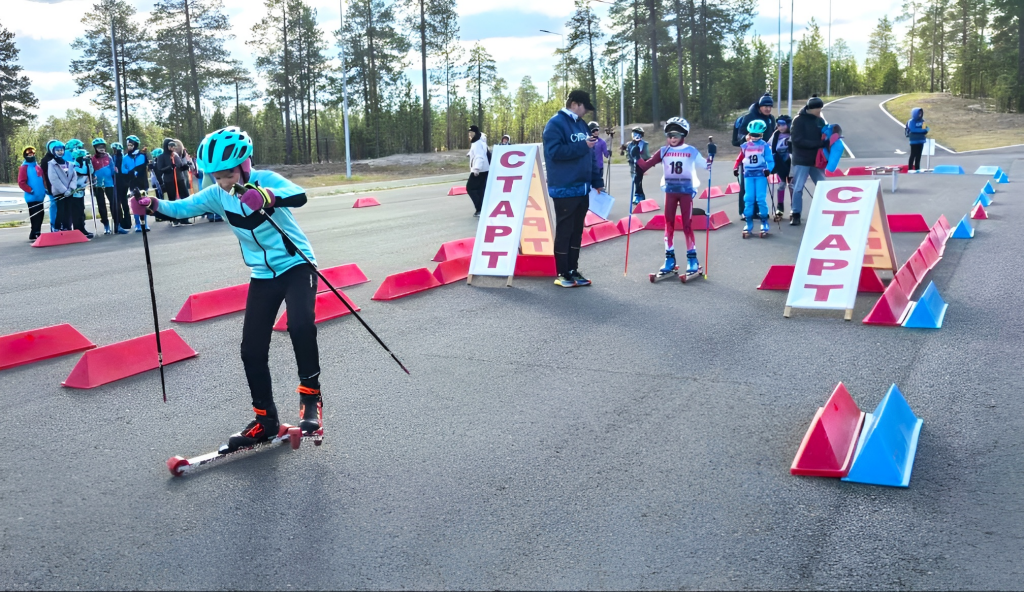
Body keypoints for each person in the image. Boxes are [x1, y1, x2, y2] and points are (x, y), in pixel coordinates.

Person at [128, 126, 323, 452]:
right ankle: (265, 421)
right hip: (262, 274)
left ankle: (311, 403)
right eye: (217, 177)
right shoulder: (217, 195)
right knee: (251, 350)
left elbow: (299, 195)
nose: (224, 183)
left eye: (230, 174)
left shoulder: (266, 179)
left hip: (297, 265)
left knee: (300, 325)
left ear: (245, 166)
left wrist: (268, 197)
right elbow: (181, 208)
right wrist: (152, 204)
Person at [542, 89, 604, 288]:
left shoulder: (582, 125)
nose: (586, 112)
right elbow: (554, 152)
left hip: (582, 187)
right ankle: (562, 272)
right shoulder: (555, 124)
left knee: (577, 231)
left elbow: (590, 154)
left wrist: (597, 180)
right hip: (564, 187)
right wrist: (582, 146)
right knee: (565, 230)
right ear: (575, 104)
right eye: (585, 107)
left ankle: (573, 269)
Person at [634, 117, 711, 276]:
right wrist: (636, 157)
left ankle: (692, 259)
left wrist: (712, 154)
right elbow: (645, 166)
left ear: (683, 135)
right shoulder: (663, 151)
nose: (672, 138)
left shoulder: (691, 150)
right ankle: (669, 259)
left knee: (686, 224)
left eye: (676, 135)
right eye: (669, 135)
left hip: (686, 191)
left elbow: (707, 166)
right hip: (670, 191)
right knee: (668, 224)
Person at [732, 93, 776, 220]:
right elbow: (739, 136)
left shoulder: (771, 118)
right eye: (765, 106)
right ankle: (745, 212)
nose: (767, 109)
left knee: (760, 186)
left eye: (769, 106)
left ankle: (758, 211)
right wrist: (746, 138)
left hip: (763, 156)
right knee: (747, 187)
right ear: (759, 106)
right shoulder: (749, 117)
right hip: (749, 156)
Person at [789, 95, 828, 226]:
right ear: (811, 108)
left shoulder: (820, 120)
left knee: (823, 186)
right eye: (818, 109)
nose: (819, 111)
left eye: (820, 109)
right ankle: (795, 213)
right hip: (801, 159)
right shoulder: (798, 120)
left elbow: (824, 134)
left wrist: (830, 139)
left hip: (817, 160)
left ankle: (826, 211)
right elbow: (797, 140)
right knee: (798, 187)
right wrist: (818, 144)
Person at [733, 120, 775, 238]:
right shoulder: (745, 146)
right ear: (749, 134)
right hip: (748, 175)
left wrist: (769, 169)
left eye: (757, 135)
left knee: (761, 198)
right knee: (748, 198)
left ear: (761, 134)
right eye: (752, 135)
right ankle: (748, 223)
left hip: (760, 175)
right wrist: (735, 167)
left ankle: (764, 222)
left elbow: (770, 160)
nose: (754, 137)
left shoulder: (764, 146)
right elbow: (739, 159)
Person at [91, 138, 125, 234]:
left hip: (109, 184)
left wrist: (115, 170)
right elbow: (91, 171)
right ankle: (106, 225)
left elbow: (112, 168)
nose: (101, 149)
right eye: (99, 147)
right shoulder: (92, 159)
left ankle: (118, 224)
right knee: (101, 206)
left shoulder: (109, 157)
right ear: (95, 148)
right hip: (98, 185)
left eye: (103, 147)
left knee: (115, 204)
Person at [156, 138, 194, 226]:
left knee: (184, 198)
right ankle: (174, 219)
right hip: (169, 181)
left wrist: (185, 166)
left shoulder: (175, 155)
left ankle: (184, 218)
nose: (173, 147)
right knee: (172, 200)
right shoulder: (161, 157)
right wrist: (169, 168)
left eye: (173, 145)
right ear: (166, 146)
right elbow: (159, 169)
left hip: (179, 179)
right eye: (170, 145)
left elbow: (180, 166)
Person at [46, 141, 77, 233]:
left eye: (61, 150)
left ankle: (67, 227)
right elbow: (54, 179)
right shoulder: (51, 164)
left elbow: (74, 177)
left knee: (68, 210)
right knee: (61, 210)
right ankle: (57, 227)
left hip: (69, 191)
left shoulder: (69, 164)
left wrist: (71, 188)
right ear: (54, 152)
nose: (60, 152)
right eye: (58, 150)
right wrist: (64, 190)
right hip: (59, 192)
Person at [120, 135, 149, 232]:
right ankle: (137, 224)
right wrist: (130, 172)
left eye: (131, 145)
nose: (129, 147)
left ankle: (145, 223)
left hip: (143, 183)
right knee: (135, 203)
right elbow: (123, 170)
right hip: (132, 183)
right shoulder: (125, 158)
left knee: (144, 203)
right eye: (128, 145)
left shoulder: (142, 156)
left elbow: (145, 167)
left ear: (136, 145)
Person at [17, 146, 47, 241]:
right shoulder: (24, 167)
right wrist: (30, 190)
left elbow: (43, 179)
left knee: (41, 214)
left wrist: (45, 189)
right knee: (35, 214)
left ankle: (37, 231)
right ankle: (34, 232)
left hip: (40, 196)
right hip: (32, 196)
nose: (31, 156)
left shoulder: (37, 167)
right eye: (29, 154)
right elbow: (21, 182)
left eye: (32, 154)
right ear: (25, 156)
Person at [768, 115, 793, 220]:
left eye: (783, 125)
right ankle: (780, 208)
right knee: (781, 185)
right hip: (779, 162)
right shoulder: (776, 134)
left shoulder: (793, 134)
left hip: (791, 162)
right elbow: (768, 145)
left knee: (792, 186)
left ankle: (794, 208)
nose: (780, 127)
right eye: (778, 125)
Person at [465, 125, 489, 217]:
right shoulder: (477, 142)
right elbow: (475, 152)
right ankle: (482, 208)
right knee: (480, 190)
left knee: (470, 188)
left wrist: (476, 169)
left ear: (476, 133)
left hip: (480, 170)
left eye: (472, 133)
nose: (470, 135)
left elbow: (480, 156)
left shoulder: (477, 143)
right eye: (469, 133)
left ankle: (480, 209)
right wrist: (469, 154)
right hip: (484, 169)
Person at [70, 148, 95, 238]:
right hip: (74, 192)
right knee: (76, 212)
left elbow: (90, 172)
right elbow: (81, 172)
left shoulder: (85, 165)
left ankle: (82, 229)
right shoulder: (73, 166)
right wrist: (85, 164)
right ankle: (77, 230)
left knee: (81, 211)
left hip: (81, 191)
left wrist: (89, 164)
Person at [622, 126, 650, 203]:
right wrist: (630, 159)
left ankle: (639, 195)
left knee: (638, 181)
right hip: (632, 165)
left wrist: (643, 161)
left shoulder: (644, 144)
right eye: (634, 134)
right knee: (635, 180)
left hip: (640, 165)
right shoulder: (630, 144)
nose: (636, 136)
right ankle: (638, 194)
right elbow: (628, 154)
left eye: (638, 134)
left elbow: (646, 155)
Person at [110, 142, 132, 232]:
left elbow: (125, 170)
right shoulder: (112, 158)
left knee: (124, 202)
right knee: (117, 203)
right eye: (113, 149)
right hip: (115, 183)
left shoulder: (122, 158)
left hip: (123, 183)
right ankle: (120, 221)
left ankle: (127, 222)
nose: (114, 151)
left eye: (116, 149)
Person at [905, 108, 929, 172]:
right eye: (919, 113)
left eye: (921, 113)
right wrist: (922, 130)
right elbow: (913, 130)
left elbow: (926, 129)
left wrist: (924, 130)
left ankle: (917, 168)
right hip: (913, 141)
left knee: (919, 155)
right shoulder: (911, 121)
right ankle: (910, 168)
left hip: (921, 140)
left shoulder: (922, 121)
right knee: (913, 154)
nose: (920, 114)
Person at [589, 122, 610, 189]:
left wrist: (609, 152)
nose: (596, 132)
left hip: (599, 167)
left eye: (597, 130)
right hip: (589, 167)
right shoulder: (587, 141)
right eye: (593, 130)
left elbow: (606, 154)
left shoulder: (602, 142)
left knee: (598, 186)